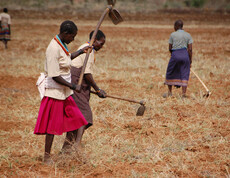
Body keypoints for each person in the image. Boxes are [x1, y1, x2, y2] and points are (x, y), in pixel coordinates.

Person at [34, 20, 91, 164]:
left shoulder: (62, 44)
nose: (73, 39)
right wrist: (72, 86)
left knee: (77, 119)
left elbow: (66, 59)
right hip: (55, 93)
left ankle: (70, 149)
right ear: (66, 33)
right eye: (72, 36)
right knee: (52, 126)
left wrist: (80, 52)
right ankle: (47, 156)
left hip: (64, 93)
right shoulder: (53, 48)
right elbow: (54, 75)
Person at [71, 30, 107, 149]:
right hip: (77, 83)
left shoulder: (87, 48)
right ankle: (76, 145)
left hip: (78, 82)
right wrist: (97, 90)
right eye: (101, 43)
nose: (101, 47)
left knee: (76, 116)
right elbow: (87, 73)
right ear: (94, 40)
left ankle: (67, 147)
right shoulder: (88, 50)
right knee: (85, 116)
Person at [163, 20, 193, 98]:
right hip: (185, 55)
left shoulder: (173, 35)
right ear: (182, 26)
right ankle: (183, 94)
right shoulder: (188, 35)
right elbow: (190, 49)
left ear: (176, 26)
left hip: (175, 54)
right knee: (185, 73)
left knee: (170, 71)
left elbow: (170, 47)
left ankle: (169, 92)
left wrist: (173, 54)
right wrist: (190, 61)